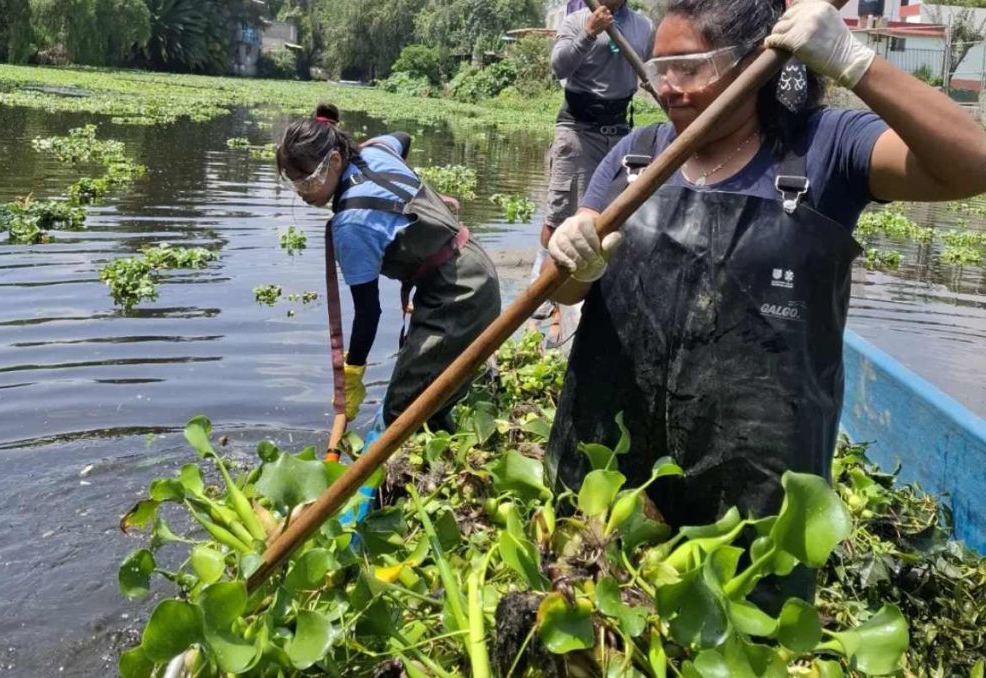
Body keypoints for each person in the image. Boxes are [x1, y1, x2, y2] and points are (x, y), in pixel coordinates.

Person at [543, 0, 986, 603]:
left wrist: (858, 64)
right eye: (659, 68)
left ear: (756, 62)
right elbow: (563, 287)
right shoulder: (634, 158)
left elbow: (973, 165)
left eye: (690, 67)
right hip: (615, 483)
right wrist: (571, 259)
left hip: (753, 499)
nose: (667, 88)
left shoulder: (824, 150)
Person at [276, 103, 501, 433]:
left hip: (457, 294)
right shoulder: (378, 149)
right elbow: (403, 137)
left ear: (336, 160)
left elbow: (368, 312)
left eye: (308, 181)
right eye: (294, 184)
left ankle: (366, 485)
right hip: (474, 265)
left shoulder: (350, 225)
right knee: (434, 401)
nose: (303, 194)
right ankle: (448, 460)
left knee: (400, 413)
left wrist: (353, 372)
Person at [533, 0, 654, 343]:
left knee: (604, 217)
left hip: (617, 130)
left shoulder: (643, 27)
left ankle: (585, 293)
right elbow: (558, 67)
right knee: (558, 218)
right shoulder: (576, 21)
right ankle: (549, 296)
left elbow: (654, 66)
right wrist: (589, 33)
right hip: (577, 129)